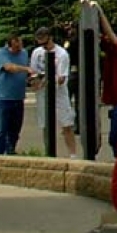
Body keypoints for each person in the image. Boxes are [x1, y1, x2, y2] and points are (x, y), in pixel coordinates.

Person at [30, 26, 79, 158]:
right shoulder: (37, 53)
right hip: (42, 94)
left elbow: (61, 78)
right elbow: (33, 72)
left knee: (66, 124)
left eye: (45, 44)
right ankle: (49, 153)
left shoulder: (62, 54)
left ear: (50, 38)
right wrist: (34, 82)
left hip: (59, 94)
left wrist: (46, 81)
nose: (43, 47)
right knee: (45, 125)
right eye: (40, 44)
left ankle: (72, 154)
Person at [88, 0, 117, 113]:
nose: (107, 38)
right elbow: (98, 32)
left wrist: (100, 12)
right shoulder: (110, 49)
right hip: (114, 94)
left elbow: (109, 32)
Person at [0, 33, 32, 155]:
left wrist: (31, 78)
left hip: (18, 97)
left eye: (20, 42)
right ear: (10, 43)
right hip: (2, 98)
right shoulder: (2, 53)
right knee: (1, 130)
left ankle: (11, 151)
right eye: (17, 43)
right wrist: (26, 69)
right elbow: (9, 67)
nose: (20, 46)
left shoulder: (24, 53)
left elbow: (25, 73)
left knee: (15, 130)